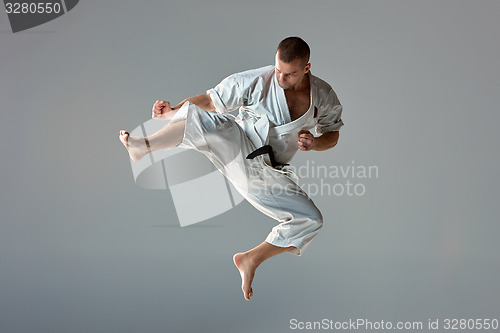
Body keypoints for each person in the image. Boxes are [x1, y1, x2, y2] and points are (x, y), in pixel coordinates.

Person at [119, 37, 344, 301]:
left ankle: (250, 259)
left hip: (266, 172)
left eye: (289, 74)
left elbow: (332, 133)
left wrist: (315, 143)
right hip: (239, 142)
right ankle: (143, 146)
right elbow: (210, 99)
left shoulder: (324, 95)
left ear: (306, 68)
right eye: (278, 70)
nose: (281, 78)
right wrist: (174, 109)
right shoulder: (259, 80)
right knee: (212, 122)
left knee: (311, 219)